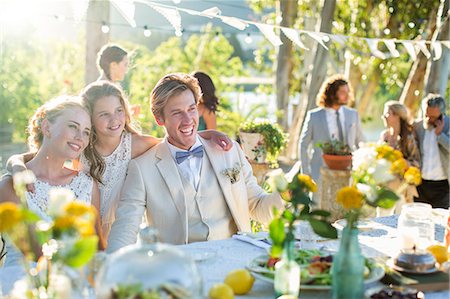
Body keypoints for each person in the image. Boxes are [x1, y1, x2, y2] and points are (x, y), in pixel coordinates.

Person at [7, 81, 232, 242]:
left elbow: (175, 140)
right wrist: (16, 164)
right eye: (104, 114)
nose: (114, 119)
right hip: (86, 234)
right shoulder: (80, 150)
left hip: (121, 234)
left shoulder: (134, 145)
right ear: (91, 119)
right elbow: (39, 158)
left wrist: (206, 135)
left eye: (118, 111)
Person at [107, 73, 283, 252]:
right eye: (177, 113)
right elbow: (126, 228)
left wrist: (286, 194)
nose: (188, 120)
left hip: (234, 264)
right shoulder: (142, 168)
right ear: (159, 118)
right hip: (180, 271)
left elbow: (258, 207)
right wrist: (112, 266)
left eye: (192, 109)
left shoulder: (229, 152)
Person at [0, 96, 104, 266]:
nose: (80, 137)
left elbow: (97, 249)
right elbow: (35, 252)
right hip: (24, 285)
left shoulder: (87, 185)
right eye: (73, 126)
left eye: (86, 131)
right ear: (47, 127)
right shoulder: (10, 186)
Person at [299, 75, 364, 194]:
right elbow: (303, 145)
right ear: (332, 93)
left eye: (348, 92)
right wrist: (306, 174)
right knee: (319, 208)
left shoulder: (353, 115)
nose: (347, 95)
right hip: (319, 173)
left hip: (348, 172)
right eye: (343, 92)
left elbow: (361, 142)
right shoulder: (314, 116)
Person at [378, 101, 421, 215]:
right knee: (381, 218)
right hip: (384, 186)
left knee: (401, 220)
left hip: (403, 188)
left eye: (387, 114)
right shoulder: (384, 136)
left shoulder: (408, 137)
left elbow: (417, 163)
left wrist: (403, 163)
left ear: (397, 115)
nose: (383, 117)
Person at [414, 94, 449, 209]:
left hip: (442, 186)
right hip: (421, 185)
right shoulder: (418, 126)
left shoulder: (448, 126)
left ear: (442, 115)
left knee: (440, 223)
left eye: (433, 117)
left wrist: (440, 135)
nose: (429, 119)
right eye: (427, 115)